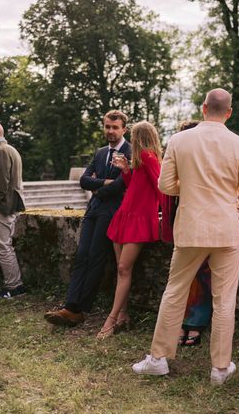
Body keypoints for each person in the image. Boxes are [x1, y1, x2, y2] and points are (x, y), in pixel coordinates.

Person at [132, 88, 239, 385]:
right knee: (224, 299)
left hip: (191, 225)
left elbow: (165, 185)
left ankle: (158, 358)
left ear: (203, 108)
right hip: (228, 227)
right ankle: (220, 368)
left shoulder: (179, 140)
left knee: (175, 290)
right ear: (229, 113)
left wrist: (189, 188)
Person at [45, 110, 132, 326]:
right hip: (93, 209)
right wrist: (104, 183)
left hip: (112, 212)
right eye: (107, 127)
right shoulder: (101, 152)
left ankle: (79, 309)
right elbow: (84, 181)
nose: (110, 131)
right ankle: (70, 305)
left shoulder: (130, 151)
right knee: (82, 255)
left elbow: (122, 184)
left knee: (96, 257)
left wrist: (99, 185)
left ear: (124, 129)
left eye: (115, 127)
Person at [96, 121, 163, 339]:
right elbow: (134, 184)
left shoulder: (148, 156)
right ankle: (123, 314)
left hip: (139, 219)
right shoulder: (141, 158)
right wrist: (126, 170)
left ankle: (112, 319)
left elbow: (160, 187)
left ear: (139, 137)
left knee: (124, 268)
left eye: (134, 136)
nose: (131, 140)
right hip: (126, 215)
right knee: (121, 268)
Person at [159, 119, 212, 348]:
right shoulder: (180, 163)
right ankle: (183, 323)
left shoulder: (207, 163)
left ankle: (197, 324)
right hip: (183, 223)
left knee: (203, 277)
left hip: (206, 224)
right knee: (184, 281)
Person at [0, 122, 27, 299]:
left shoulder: (1, 151)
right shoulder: (9, 149)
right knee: (4, 246)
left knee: (2, 247)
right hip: (9, 204)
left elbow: (1, 184)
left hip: (3, 206)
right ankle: (15, 285)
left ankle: (14, 286)